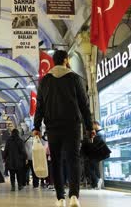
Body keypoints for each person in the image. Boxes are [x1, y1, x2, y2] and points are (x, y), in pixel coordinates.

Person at [34, 50, 94, 207]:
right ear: (66, 60)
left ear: (53, 62)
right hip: (72, 125)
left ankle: (60, 198)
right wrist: (89, 126)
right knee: (73, 160)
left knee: (56, 161)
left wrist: (36, 127)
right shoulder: (74, 78)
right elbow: (83, 104)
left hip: (53, 126)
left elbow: (39, 106)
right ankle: (74, 196)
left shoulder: (45, 81)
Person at [86, 121, 105, 190]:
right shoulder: (99, 133)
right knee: (94, 168)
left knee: (90, 168)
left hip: (96, 153)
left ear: (96, 124)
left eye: (93, 125)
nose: (92, 127)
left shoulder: (100, 133)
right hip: (97, 153)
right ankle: (96, 182)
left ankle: (98, 180)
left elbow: (95, 144)